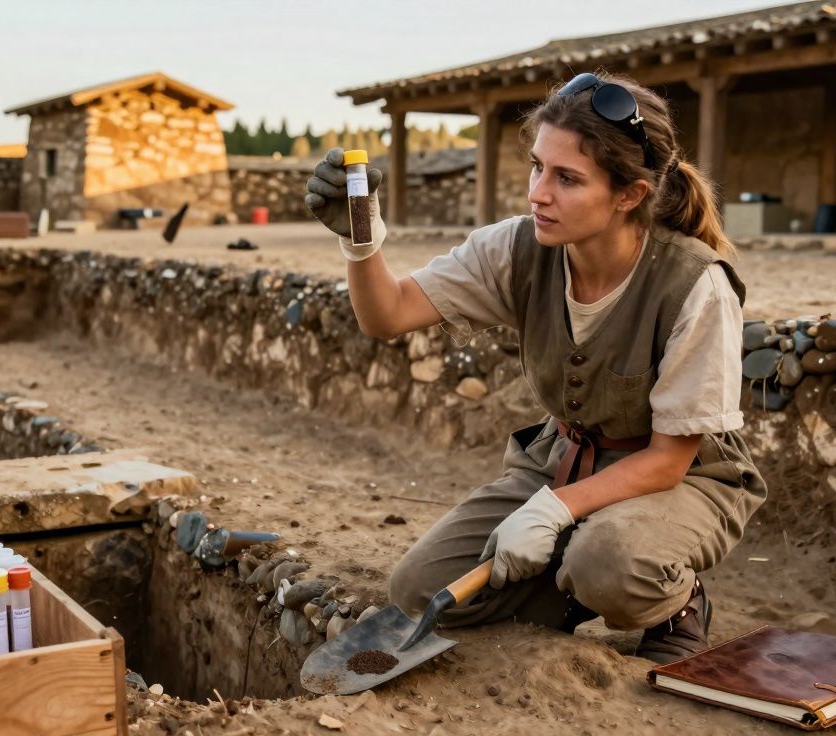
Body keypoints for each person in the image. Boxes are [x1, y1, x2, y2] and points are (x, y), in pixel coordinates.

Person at [304, 72, 766, 664]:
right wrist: (361, 238)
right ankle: (568, 585)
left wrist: (554, 510)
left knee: (610, 564)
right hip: (563, 462)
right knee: (419, 589)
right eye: (537, 167)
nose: (538, 194)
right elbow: (386, 314)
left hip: (679, 478)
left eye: (567, 178)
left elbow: (669, 459)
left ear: (629, 195)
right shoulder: (517, 248)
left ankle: (678, 602)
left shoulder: (695, 284)